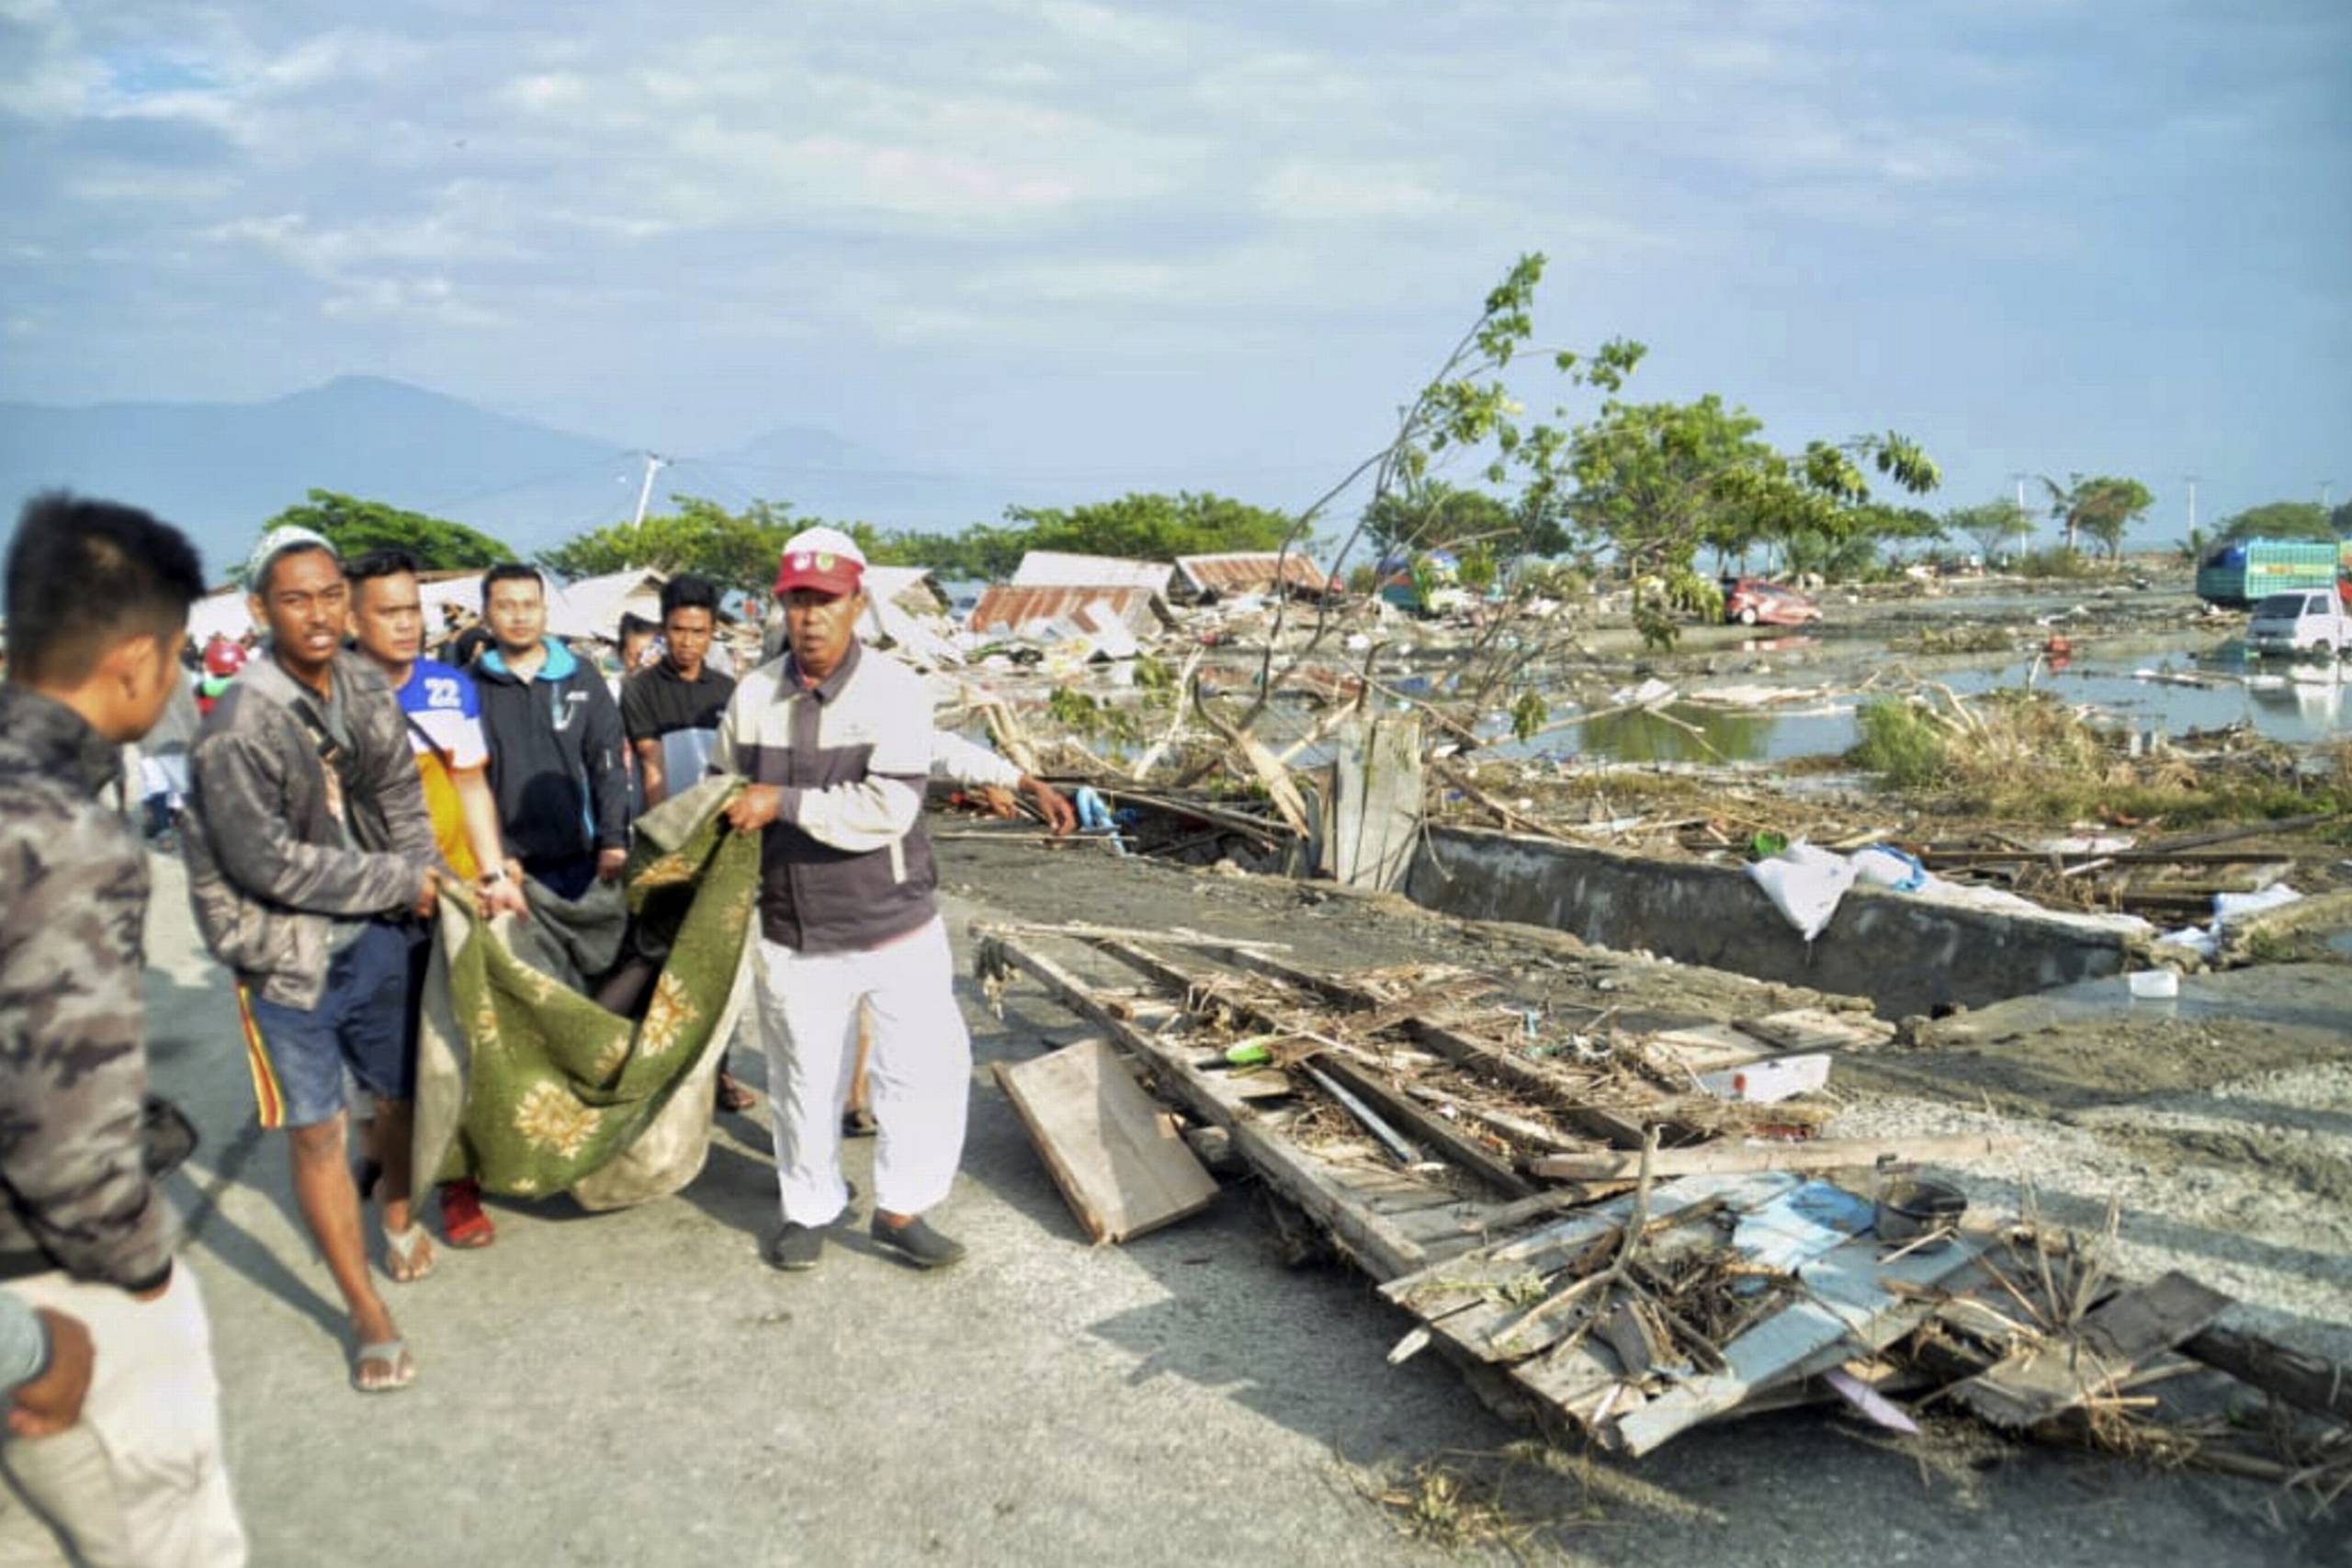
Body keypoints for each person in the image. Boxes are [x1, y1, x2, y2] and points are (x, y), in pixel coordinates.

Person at [0, 492, 246, 1561]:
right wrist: (142, 1275)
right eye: (183, 659)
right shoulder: (62, 838)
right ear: (139, 659)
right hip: (55, 1290)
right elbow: (70, 1137)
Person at [717, 527, 1024, 1273]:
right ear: (781, 605)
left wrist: (781, 801)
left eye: (826, 600)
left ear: (857, 603)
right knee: (801, 1076)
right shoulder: (753, 696)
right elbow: (729, 794)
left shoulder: (894, 691)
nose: (810, 616)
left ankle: (902, 1206)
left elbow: (887, 807)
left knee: (922, 1068)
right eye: (798, 600)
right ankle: (810, 1204)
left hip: (894, 922)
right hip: (795, 925)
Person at [183, 526, 441, 1394]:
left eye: (331, 594)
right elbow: (270, 867)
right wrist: (400, 877)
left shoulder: (364, 686)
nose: (320, 613)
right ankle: (364, 1308)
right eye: (296, 598)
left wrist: (428, 874)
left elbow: (402, 794)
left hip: (373, 939)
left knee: (400, 1098)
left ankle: (398, 1212)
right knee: (319, 1127)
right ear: (259, 610)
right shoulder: (238, 725)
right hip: (281, 957)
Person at [345, 548, 528, 1250]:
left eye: (411, 611)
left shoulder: (450, 688)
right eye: (386, 612)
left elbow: (472, 786)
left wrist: (491, 874)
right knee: (384, 1064)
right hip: (370, 911)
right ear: (352, 619)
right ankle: (386, 1162)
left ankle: (458, 1186)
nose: (405, 625)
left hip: (452, 904)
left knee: (456, 1047)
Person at [621, 575, 758, 1111]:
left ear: (712, 631)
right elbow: (653, 770)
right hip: (669, 842)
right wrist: (666, 847)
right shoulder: (641, 690)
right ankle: (653, 1075)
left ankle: (715, 1072)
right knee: (658, 964)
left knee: (718, 968)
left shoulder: (728, 693)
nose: (687, 641)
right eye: (678, 629)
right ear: (664, 627)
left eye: (698, 631)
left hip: (721, 846)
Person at [471, 564, 629, 901]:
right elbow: (462, 784)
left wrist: (614, 841)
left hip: (580, 861)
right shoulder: (468, 685)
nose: (519, 617)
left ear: (544, 610)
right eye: (505, 606)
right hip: (501, 866)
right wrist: (490, 858)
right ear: (485, 614)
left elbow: (608, 763)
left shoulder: (581, 677)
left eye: (529, 605)